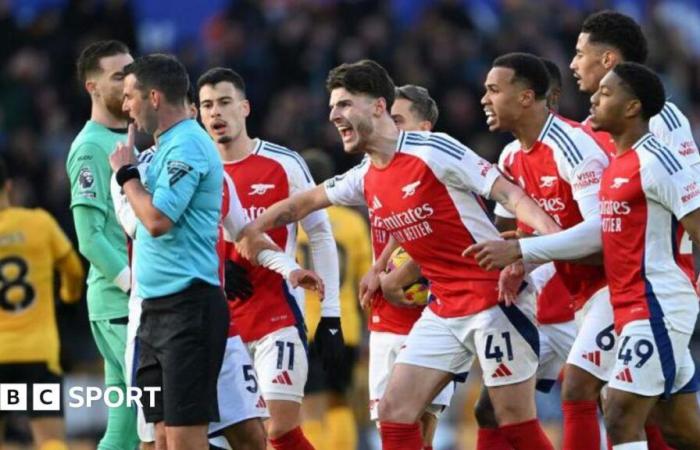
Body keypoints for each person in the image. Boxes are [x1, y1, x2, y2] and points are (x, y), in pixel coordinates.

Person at [237, 59, 562, 450]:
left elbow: (510, 193)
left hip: (494, 302)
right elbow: (303, 202)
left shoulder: (433, 150)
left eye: (343, 105)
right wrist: (253, 230)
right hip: (443, 310)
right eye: (331, 107)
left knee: (513, 421)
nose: (333, 115)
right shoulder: (364, 174)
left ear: (377, 106)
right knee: (394, 412)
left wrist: (551, 243)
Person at [111, 92, 314, 450]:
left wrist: (288, 267)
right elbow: (140, 226)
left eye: (210, 108)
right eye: (205, 107)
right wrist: (127, 177)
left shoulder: (214, 174)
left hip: (210, 319)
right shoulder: (136, 171)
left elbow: (245, 233)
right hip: (154, 322)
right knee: (159, 438)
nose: (211, 115)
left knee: (251, 435)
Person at [197, 67, 342, 450]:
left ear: (245, 107)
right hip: (219, 327)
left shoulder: (283, 163)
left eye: (225, 103)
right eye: (207, 105)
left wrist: (330, 315)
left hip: (277, 317)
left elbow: (322, 233)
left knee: (277, 429)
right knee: (234, 439)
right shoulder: (195, 169)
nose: (216, 113)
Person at [108, 53, 227, 450]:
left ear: (154, 97)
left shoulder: (189, 145)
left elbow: (157, 221)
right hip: (155, 312)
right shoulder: (164, 148)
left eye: (130, 96)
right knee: (159, 437)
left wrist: (127, 176)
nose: (125, 106)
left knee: (183, 440)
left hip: (187, 310)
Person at [469, 53, 586, 449]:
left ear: (526, 97)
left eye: (493, 90)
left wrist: (524, 251)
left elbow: (605, 232)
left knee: (623, 406)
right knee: (490, 408)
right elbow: (507, 234)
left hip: (593, 300)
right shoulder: (508, 157)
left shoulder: (574, 147)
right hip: (545, 307)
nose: (483, 99)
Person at [591, 62, 700, 450]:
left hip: (659, 305)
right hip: (631, 306)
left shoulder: (659, 162)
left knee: (619, 412)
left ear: (633, 106)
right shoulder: (617, 163)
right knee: (680, 431)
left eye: (605, 93)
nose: (593, 98)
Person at [370, 84, 456, 450]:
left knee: (420, 433)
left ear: (423, 130)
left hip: (430, 320)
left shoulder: (440, 174)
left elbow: (441, 239)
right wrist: (378, 269)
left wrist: (397, 277)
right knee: (390, 430)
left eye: (398, 120)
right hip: (383, 320)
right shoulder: (373, 169)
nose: (388, 127)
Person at [66, 39, 139, 450]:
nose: (128, 82)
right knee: (148, 415)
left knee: (125, 427)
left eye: (131, 72)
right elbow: (90, 238)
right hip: (119, 303)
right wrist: (135, 286)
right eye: (117, 76)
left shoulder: (128, 138)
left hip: (122, 303)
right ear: (92, 87)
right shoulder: (91, 147)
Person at [0, 158, 84, 450]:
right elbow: (73, 269)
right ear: (8, 186)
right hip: (38, 352)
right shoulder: (38, 223)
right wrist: (68, 296)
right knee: (49, 440)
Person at [296, 148, 366, 450]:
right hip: (345, 326)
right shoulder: (353, 223)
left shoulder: (297, 222)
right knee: (340, 403)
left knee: (310, 406)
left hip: (308, 327)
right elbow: (366, 279)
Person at [571, 10, 700, 167]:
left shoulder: (659, 117)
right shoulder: (583, 133)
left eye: (580, 55)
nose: (573, 65)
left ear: (607, 59)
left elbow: (692, 183)